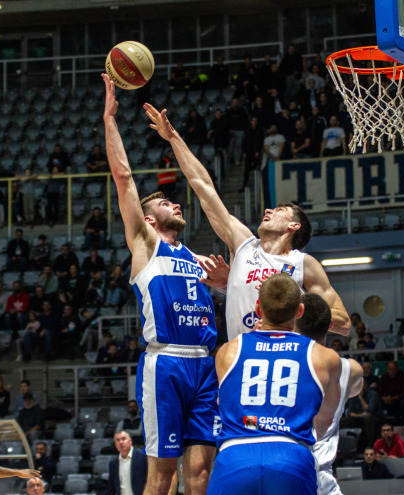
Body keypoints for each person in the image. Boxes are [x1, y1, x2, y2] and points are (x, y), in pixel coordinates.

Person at [142, 97, 350, 341]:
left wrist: (290, 302)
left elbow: (343, 324)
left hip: (286, 357)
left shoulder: (304, 263)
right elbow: (203, 187)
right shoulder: (244, 244)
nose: (268, 211)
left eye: (279, 210)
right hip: (243, 358)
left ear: (294, 226)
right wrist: (173, 137)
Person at [103, 74, 218, 495]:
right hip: (165, 363)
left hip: (204, 364)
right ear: (150, 219)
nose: (177, 203)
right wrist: (110, 119)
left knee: (201, 473)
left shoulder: (196, 258)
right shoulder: (146, 245)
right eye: (167, 203)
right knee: (162, 474)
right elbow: (123, 177)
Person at [206, 274, 342, 495]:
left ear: (258, 309)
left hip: (235, 456)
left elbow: (224, 404)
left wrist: (255, 422)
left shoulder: (228, 352)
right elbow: (326, 420)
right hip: (291, 457)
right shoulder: (324, 358)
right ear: (300, 311)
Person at [299, 294, 363, 495]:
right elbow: (356, 390)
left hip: (288, 468)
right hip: (322, 475)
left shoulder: (281, 366)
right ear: (330, 325)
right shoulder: (351, 369)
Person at [104, 430, 148, 495]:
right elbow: (111, 488)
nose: (121, 442)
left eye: (123, 439)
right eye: (118, 440)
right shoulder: (113, 463)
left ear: (130, 441)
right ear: (115, 444)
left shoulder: (143, 456)